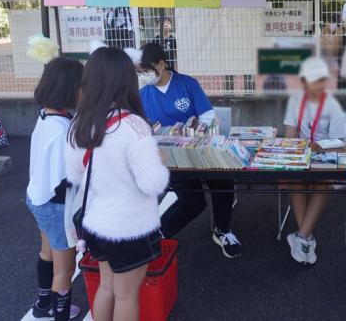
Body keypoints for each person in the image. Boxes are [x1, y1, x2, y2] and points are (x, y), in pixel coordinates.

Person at [66, 46, 170, 321]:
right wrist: (158, 159)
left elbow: (75, 174)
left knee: (106, 286)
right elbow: (153, 183)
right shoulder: (133, 125)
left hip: (96, 223)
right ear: (125, 79)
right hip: (130, 228)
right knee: (126, 296)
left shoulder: (81, 123)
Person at [139, 42, 241, 258]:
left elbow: (208, 117)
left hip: (200, 150)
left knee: (223, 179)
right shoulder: (142, 95)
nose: (145, 76)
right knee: (193, 202)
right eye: (141, 72)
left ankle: (223, 230)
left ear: (161, 64)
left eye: (147, 71)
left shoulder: (187, 84)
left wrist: (192, 130)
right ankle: (158, 234)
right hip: (171, 159)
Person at [26, 57, 83, 321]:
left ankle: (42, 304)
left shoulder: (46, 116)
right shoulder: (62, 130)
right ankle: (61, 313)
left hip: (37, 196)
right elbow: (66, 180)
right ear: (71, 90)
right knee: (65, 266)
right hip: (55, 204)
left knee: (46, 252)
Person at [283, 57, 346, 264]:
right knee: (295, 181)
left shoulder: (333, 105)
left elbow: (340, 144)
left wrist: (317, 147)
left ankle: (302, 237)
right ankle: (305, 237)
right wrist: (296, 147)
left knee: (323, 183)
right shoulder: (295, 101)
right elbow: (289, 135)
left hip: (324, 160)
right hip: (301, 158)